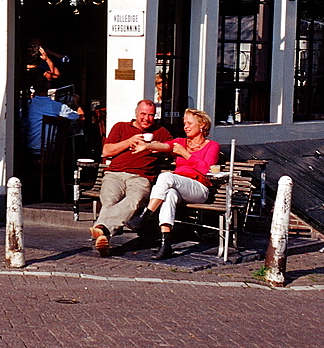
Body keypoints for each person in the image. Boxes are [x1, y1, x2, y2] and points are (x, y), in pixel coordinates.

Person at [126, 108, 220, 260]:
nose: (186, 127)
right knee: (169, 195)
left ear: (202, 125)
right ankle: (166, 244)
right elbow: (164, 146)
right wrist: (147, 146)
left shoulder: (212, 146)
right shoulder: (181, 142)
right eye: (184, 124)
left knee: (167, 177)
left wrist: (185, 154)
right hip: (178, 186)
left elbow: (206, 170)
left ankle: (145, 216)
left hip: (199, 188)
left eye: (189, 123)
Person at [88, 100, 173, 256]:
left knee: (134, 201)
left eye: (151, 115)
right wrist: (129, 141)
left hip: (141, 177)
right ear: (136, 113)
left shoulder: (160, 132)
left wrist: (154, 146)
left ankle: (101, 230)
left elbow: (173, 148)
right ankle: (103, 236)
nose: (146, 119)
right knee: (109, 200)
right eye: (143, 114)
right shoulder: (121, 127)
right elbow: (106, 151)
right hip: (114, 174)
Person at [24, 75, 81, 154]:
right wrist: (77, 104)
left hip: (29, 148)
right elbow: (79, 117)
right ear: (48, 86)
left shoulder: (29, 105)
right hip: (49, 151)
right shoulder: (56, 106)